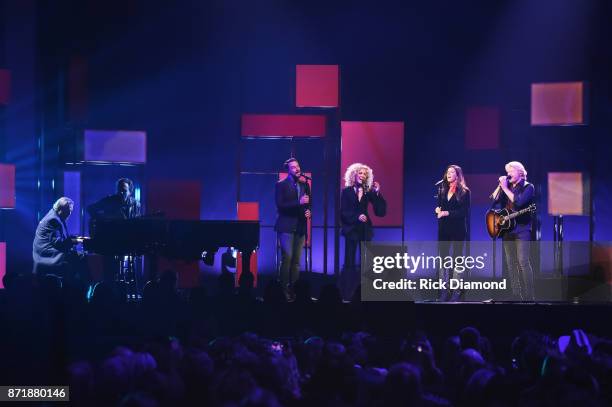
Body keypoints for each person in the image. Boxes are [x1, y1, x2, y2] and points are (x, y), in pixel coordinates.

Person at [340, 163, 386, 300]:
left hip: (365, 230)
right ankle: (347, 292)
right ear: (354, 175)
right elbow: (343, 212)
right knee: (349, 261)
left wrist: (377, 193)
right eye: (360, 173)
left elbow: (380, 212)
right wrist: (356, 216)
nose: (362, 176)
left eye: (365, 174)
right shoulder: (346, 191)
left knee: (365, 262)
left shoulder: (368, 192)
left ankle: (365, 293)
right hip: (351, 230)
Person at [491, 161, 535, 301]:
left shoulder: (529, 187)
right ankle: (516, 293)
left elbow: (519, 202)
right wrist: (500, 187)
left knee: (523, 261)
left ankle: (529, 295)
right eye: (507, 171)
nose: (508, 174)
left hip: (522, 229)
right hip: (507, 229)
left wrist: (505, 188)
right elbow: (493, 200)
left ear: (520, 172)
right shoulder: (506, 186)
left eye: (511, 170)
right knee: (510, 263)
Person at [87, 178, 141, 284]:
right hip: (111, 240)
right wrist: (103, 218)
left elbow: (137, 222)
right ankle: (109, 287)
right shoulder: (110, 200)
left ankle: (123, 286)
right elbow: (90, 208)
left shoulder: (135, 204)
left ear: (130, 191)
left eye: (124, 190)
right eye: (119, 190)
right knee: (109, 268)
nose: (121, 193)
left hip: (127, 241)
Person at [274, 158, 311, 301]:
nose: (297, 169)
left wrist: (309, 211)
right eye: (293, 167)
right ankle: (282, 291)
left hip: (300, 226)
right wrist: (298, 202)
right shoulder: (281, 185)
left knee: (296, 261)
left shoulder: (304, 184)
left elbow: (308, 204)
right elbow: (280, 205)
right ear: (288, 170)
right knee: (287, 259)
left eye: (298, 166)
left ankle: (294, 291)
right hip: (286, 226)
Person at [435, 165, 470, 301]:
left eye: (452, 172)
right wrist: (437, 210)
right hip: (444, 229)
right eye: (447, 172)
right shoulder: (442, 189)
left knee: (457, 260)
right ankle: (444, 291)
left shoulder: (464, 191)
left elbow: (464, 212)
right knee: (443, 260)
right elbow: (440, 207)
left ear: (457, 175)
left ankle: (456, 292)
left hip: (458, 229)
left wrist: (447, 212)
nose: (448, 174)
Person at [32, 197, 80, 279]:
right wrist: (76, 241)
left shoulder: (55, 216)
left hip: (47, 252)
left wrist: (74, 238)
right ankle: (75, 287)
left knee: (78, 256)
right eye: (69, 211)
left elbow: (59, 238)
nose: (70, 213)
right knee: (79, 258)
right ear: (61, 210)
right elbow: (58, 243)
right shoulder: (53, 219)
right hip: (47, 255)